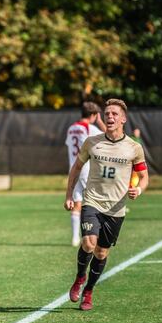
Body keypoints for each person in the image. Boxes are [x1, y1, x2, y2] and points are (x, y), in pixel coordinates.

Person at [64, 98, 148, 311]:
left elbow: (143, 176)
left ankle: (89, 291)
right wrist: (69, 195)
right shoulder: (92, 142)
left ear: (123, 119)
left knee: (101, 252)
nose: (109, 117)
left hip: (116, 209)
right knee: (89, 243)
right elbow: (76, 168)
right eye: (107, 113)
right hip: (92, 201)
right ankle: (80, 277)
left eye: (114, 114)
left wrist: (138, 189)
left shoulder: (134, 148)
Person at [65, 102, 106, 247]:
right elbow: (110, 135)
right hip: (86, 168)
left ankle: (75, 238)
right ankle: (95, 234)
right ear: (94, 115)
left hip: (73, 168)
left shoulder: (71, 128)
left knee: (77, 203)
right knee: (94, 202)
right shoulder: (90, 128)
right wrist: (101, 122)